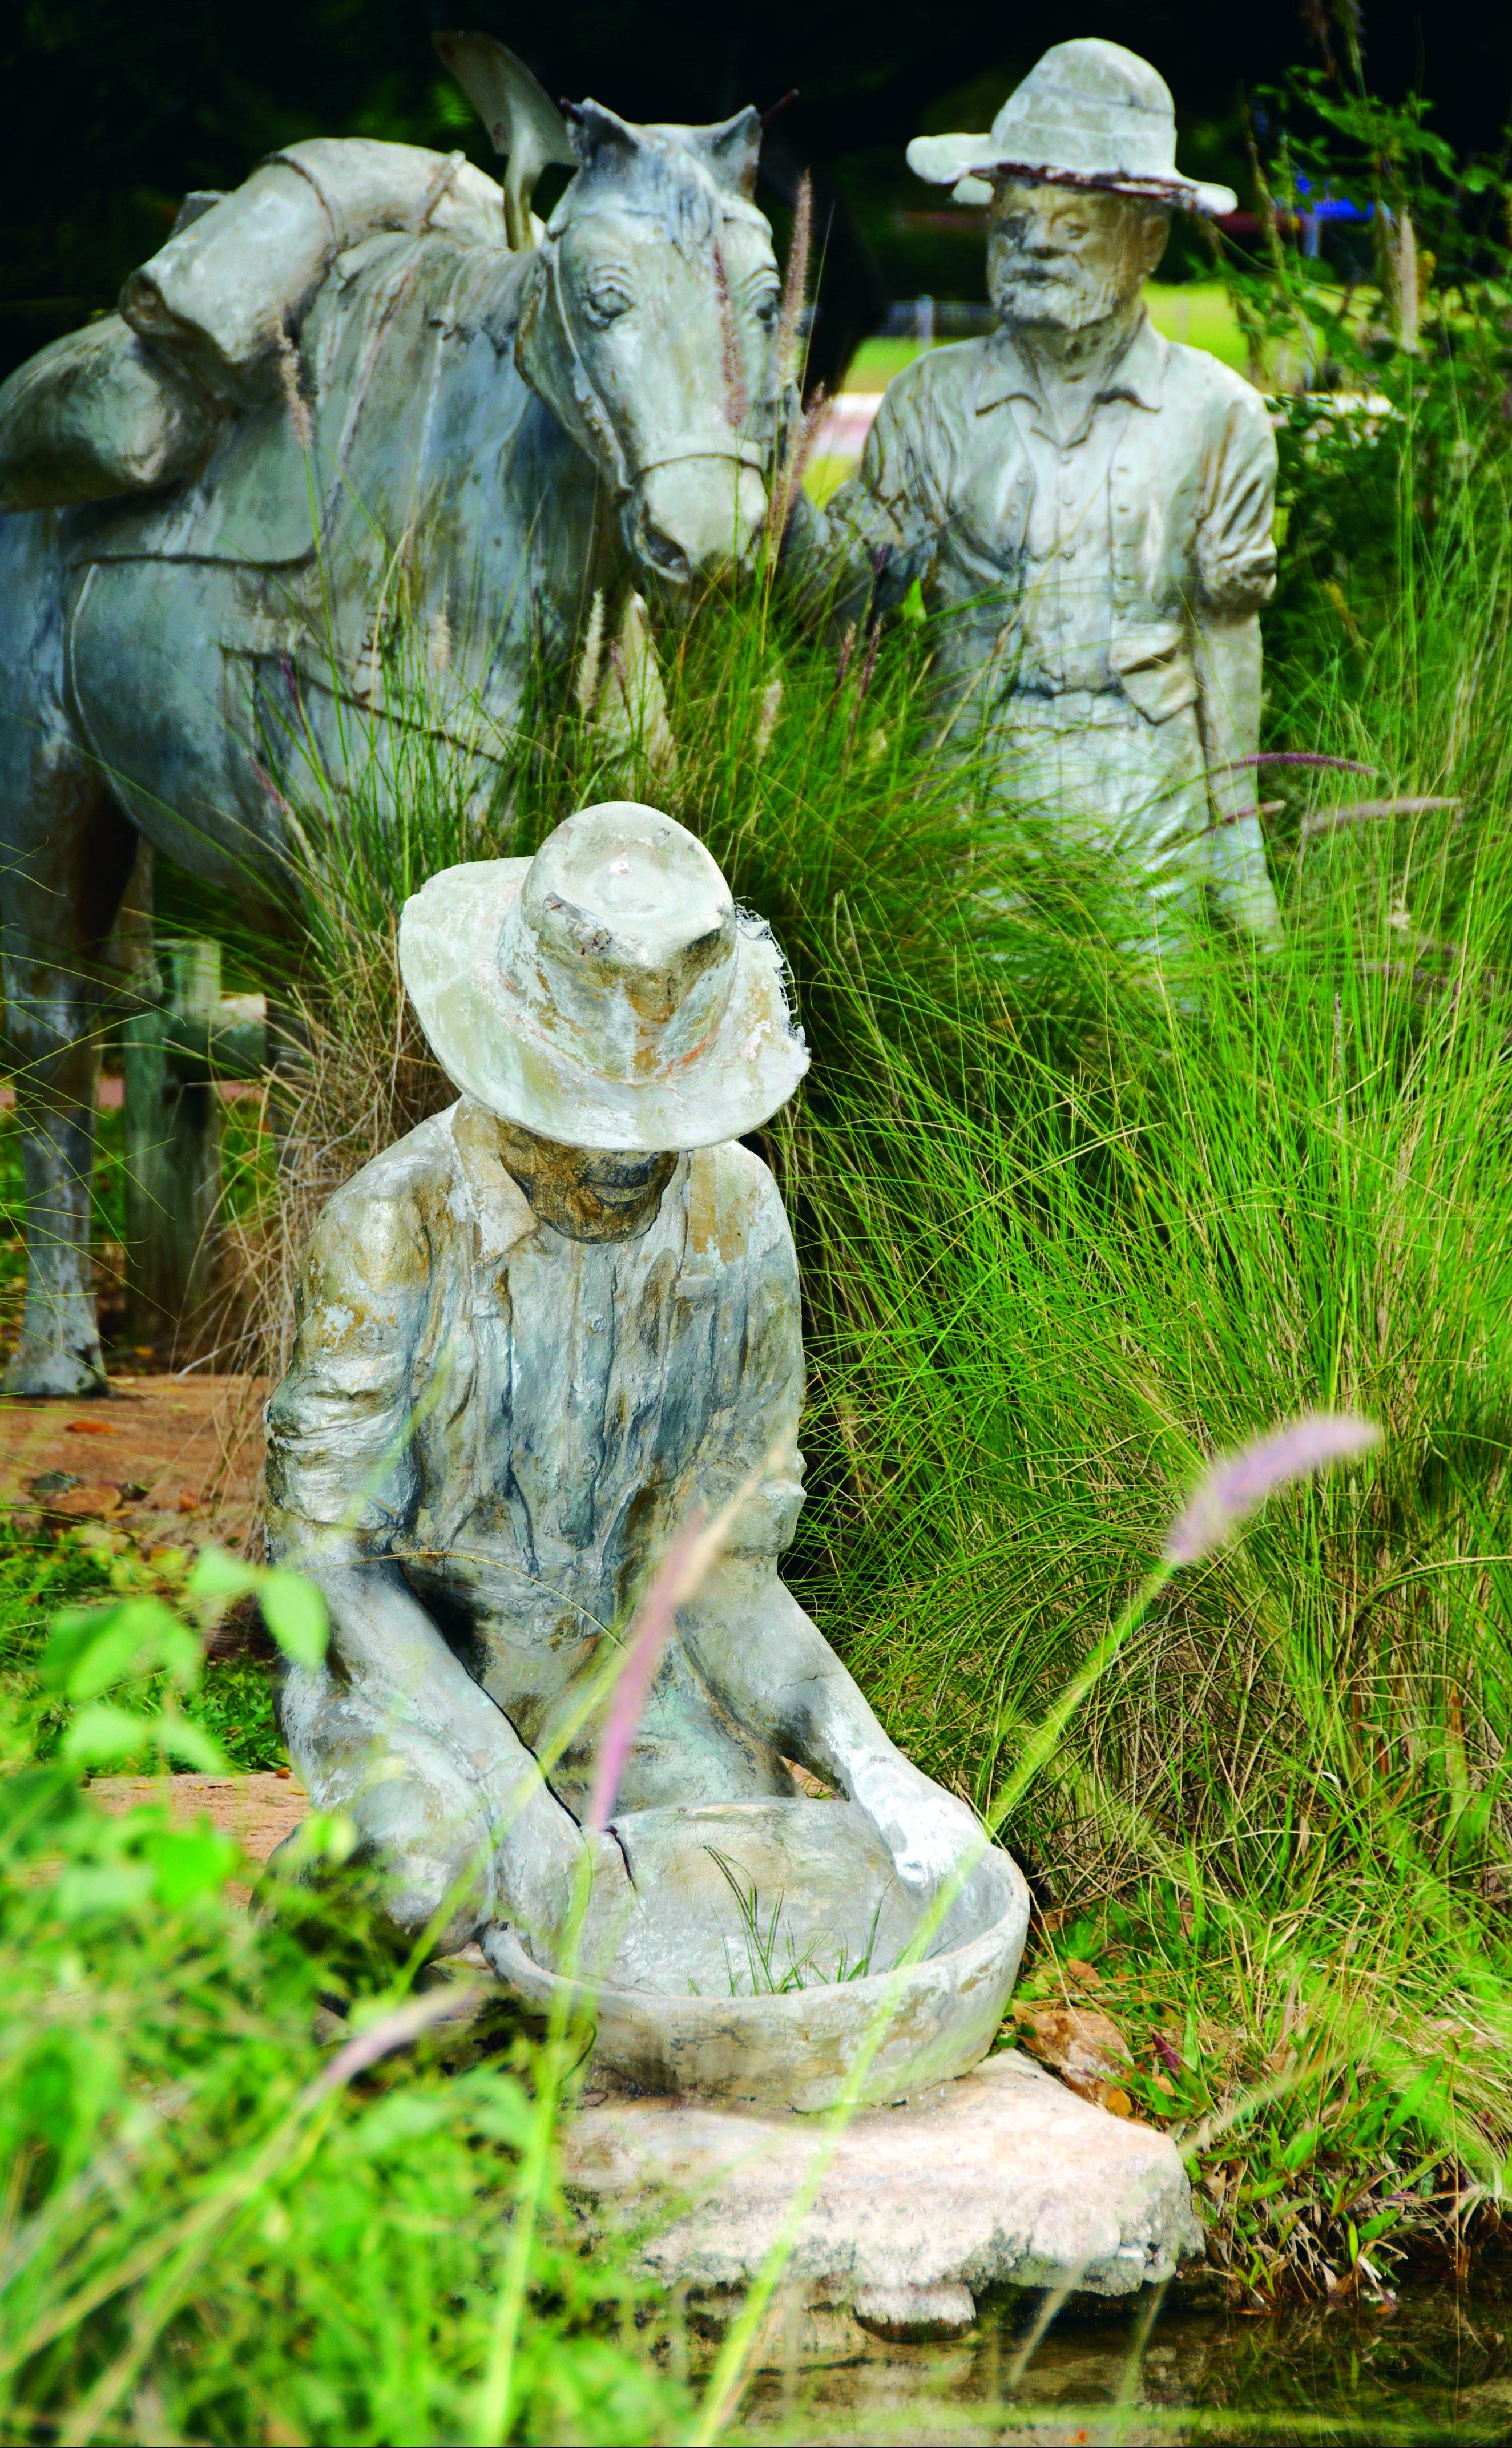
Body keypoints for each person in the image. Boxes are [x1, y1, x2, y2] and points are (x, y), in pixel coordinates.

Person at [264, 801, 988, 1953]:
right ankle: (329, 1945)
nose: (616, 1159)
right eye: (580, 1112)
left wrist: (878, 1770)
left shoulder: (738, 1220)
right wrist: (521, 1820)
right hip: (417, 1679)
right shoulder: (391, 1230)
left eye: (656, 1124)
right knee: (424, 1894)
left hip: (628, 1686)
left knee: (756, 1904)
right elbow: (331, 1568)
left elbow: (722, 1577)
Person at [793, 39, 1282, 950]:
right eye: (1014, 221)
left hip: (1150, 814)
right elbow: (847, 593)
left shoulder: (1218, 417)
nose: (1034, 245)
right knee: (973, 1058)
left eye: (1072, 224)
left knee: (1157, 1056)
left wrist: (1238, 846)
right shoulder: (933, 403)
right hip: (970, 807)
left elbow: (1227, 632)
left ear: (1149, 238)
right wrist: (762, 493)